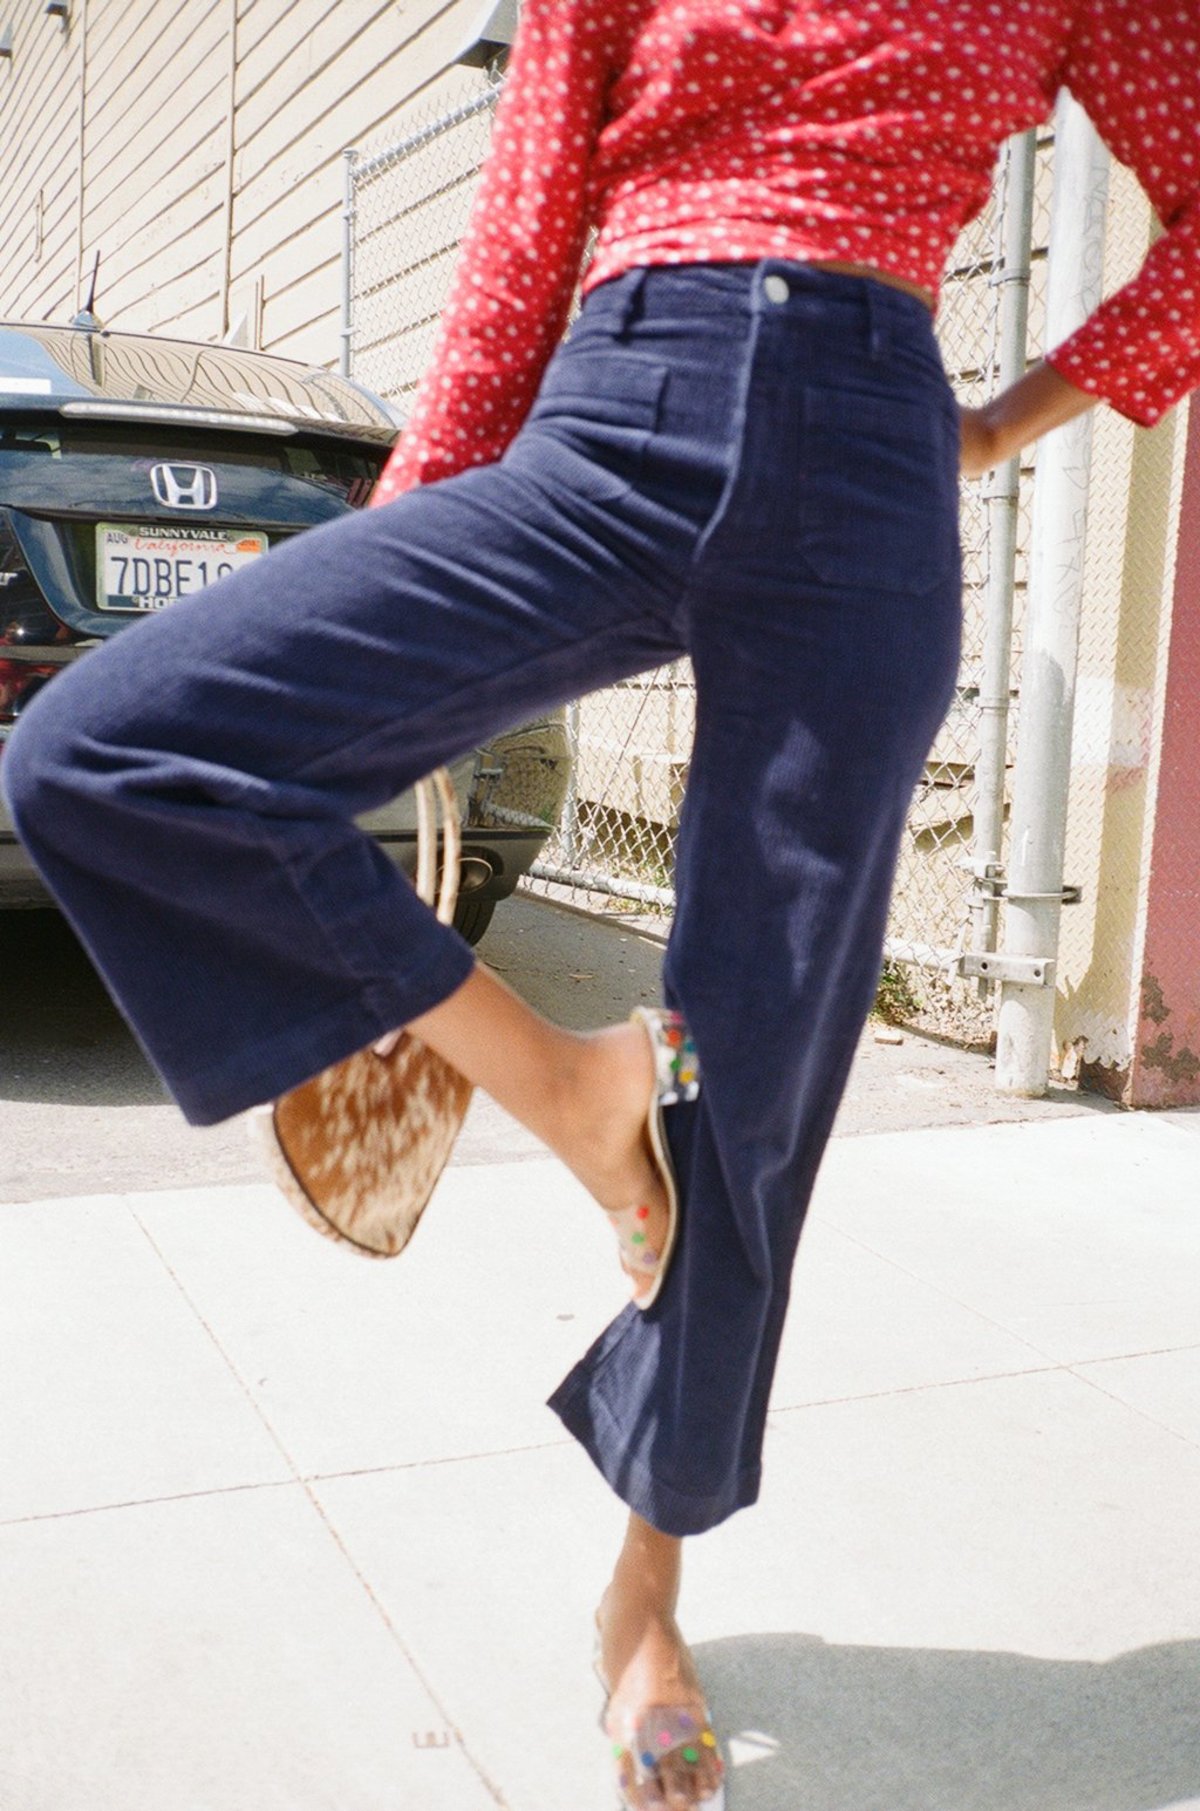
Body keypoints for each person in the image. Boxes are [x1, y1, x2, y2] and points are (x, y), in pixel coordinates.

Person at [4, 3, 1199, 1806]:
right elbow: (522, 231)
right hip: (624, 403)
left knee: (756, 1088)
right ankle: (566, 1084)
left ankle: (645, 1595)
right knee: (99, 750)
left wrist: (996, 424)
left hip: (874, 466)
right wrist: (406, 556)